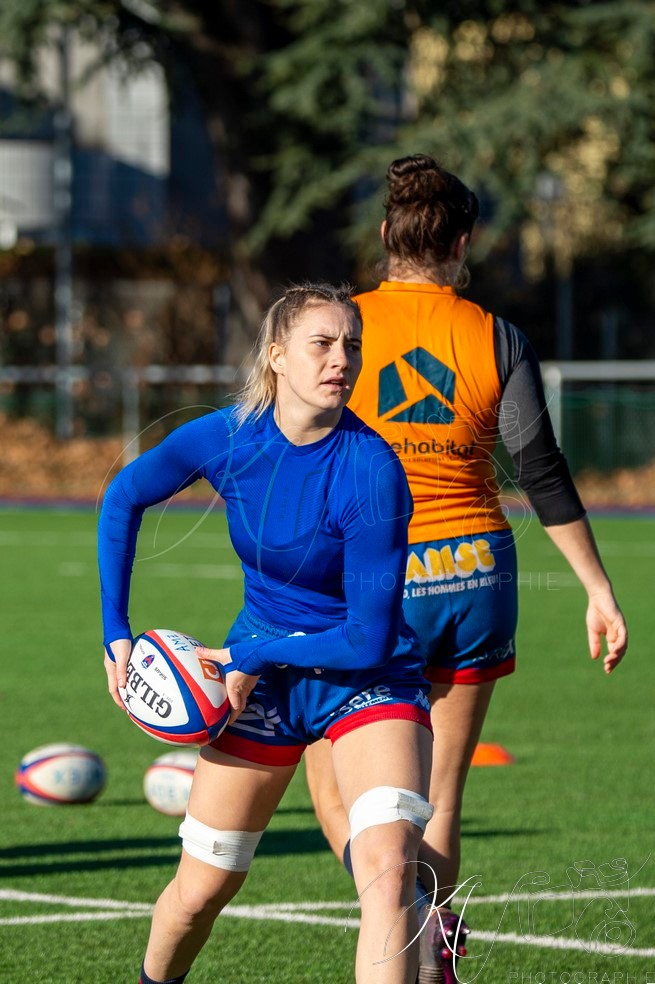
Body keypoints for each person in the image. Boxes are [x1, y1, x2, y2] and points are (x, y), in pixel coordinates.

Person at [303, 156, 629, 983]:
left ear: (385, 234)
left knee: (331, 785)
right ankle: (431, 941)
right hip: (477, 575)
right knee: (438, 796)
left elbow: (294, 451)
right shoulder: (496, 335)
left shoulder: (341, 327)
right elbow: (540, 471)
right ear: (462, 244)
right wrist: (596, 590)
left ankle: (403, 913)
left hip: (374, 580)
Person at [98, 282, 436, 984]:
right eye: (322, 344)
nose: (341, 359)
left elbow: (366, 641)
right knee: (199, 892)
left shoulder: (372, 471)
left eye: (351, 346)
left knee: (387, 872)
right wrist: (115, 633)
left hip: (364, 680)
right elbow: (123, 495)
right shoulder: (227, 436)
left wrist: (252, 653)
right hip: (257, 682)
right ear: (277, 355)